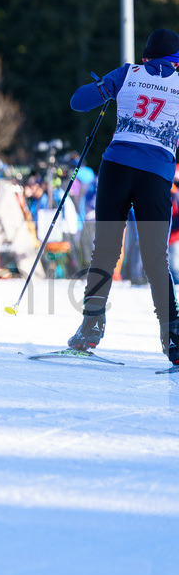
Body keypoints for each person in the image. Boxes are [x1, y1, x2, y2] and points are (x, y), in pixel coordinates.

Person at [67, 28, 179, 366]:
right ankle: (173, 339)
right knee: (156, 259)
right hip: (156, 175)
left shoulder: (127, 73)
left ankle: (90, 327)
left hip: (116, 168)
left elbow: (78, 101)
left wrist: (105, 87)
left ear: (146, 56)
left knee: (105, 251)